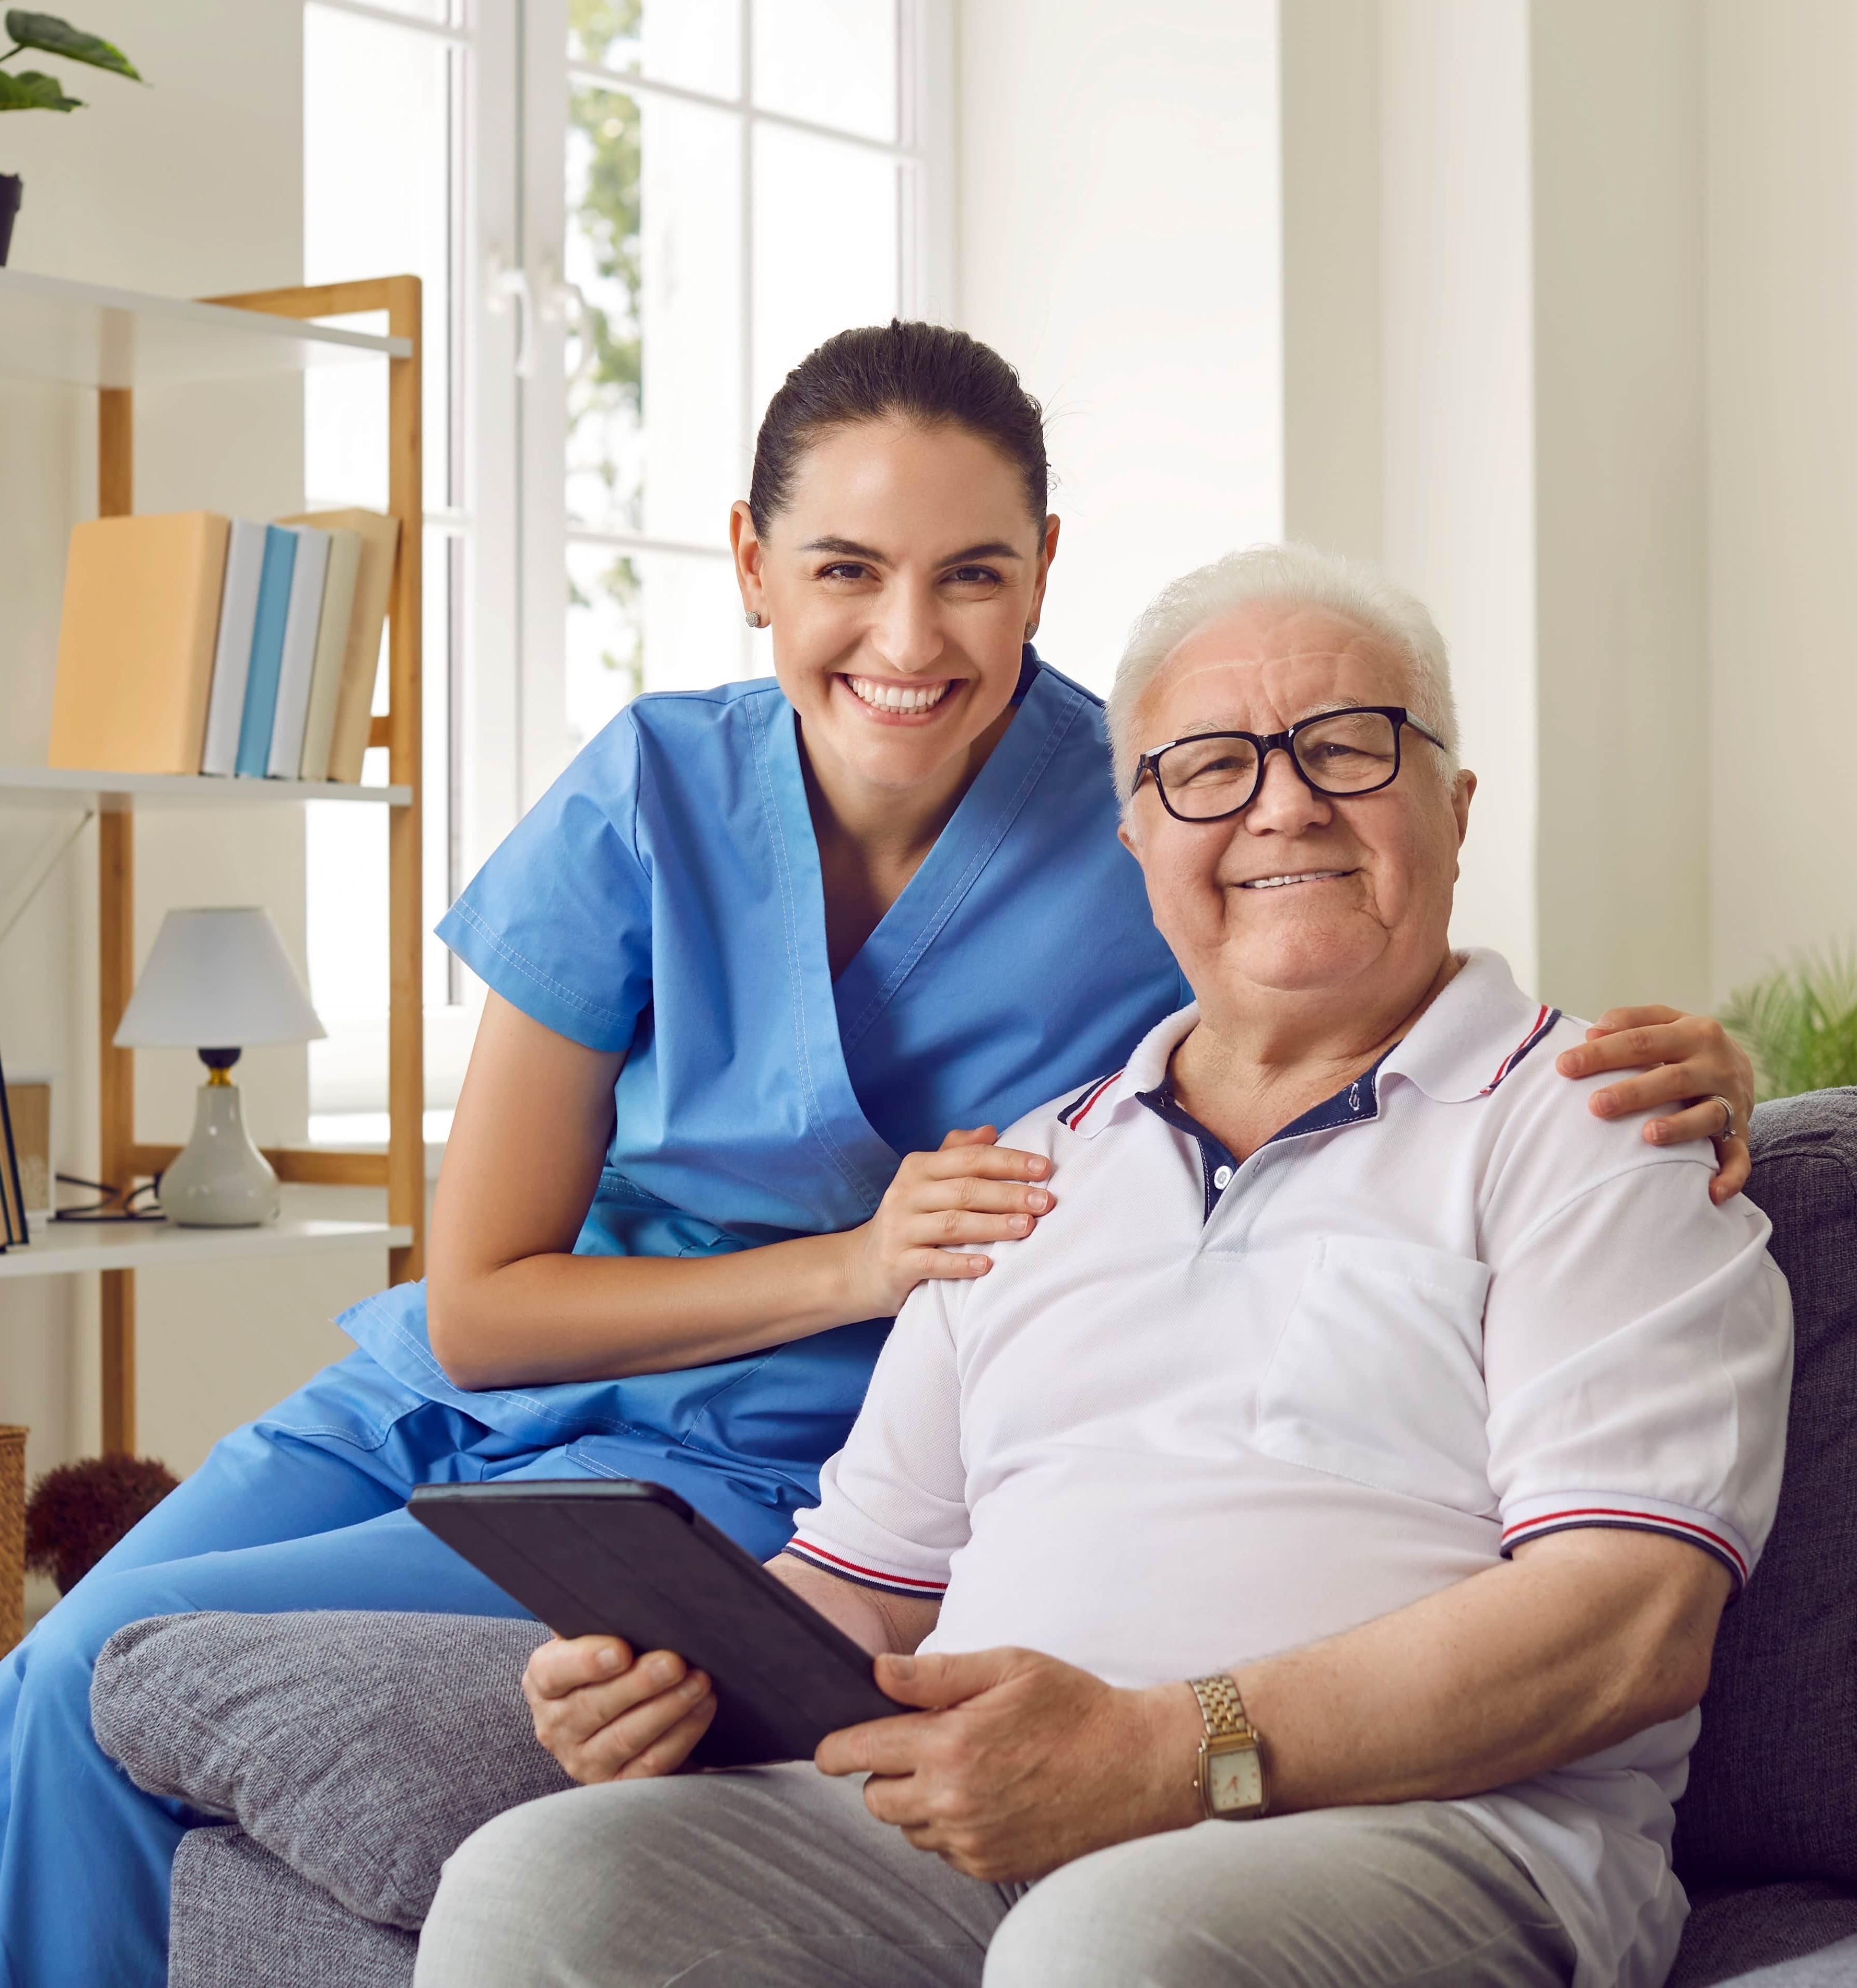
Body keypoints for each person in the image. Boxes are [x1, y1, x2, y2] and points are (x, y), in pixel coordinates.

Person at [1, 333, 1749, 1988]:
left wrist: (1712, 1068)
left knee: (1106, 1937)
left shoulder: (1277, 900)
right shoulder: (718, 841)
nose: (906, 635)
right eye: (844, 567)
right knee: (110, 1691)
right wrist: (711, 1588)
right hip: (511, 1403)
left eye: (970, 572)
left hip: (820, 1487)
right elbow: (499, 1325)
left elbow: (1356, 969)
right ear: (752, 564)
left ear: (1042, 570)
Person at [415, 544, 1791, 1988]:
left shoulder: (1603, 1127)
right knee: (547, 1881)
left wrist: (1157, 1753)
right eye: (1206, 765)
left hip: (1429, 1834)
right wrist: (679, 1679)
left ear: (1450, 807)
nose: (1284, 801)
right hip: (974, 1815)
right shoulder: (1019, 1175)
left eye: (1347, 746)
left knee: (1109, 1945)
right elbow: (869, 1589)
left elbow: (1621, 1627)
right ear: (1134, 838)